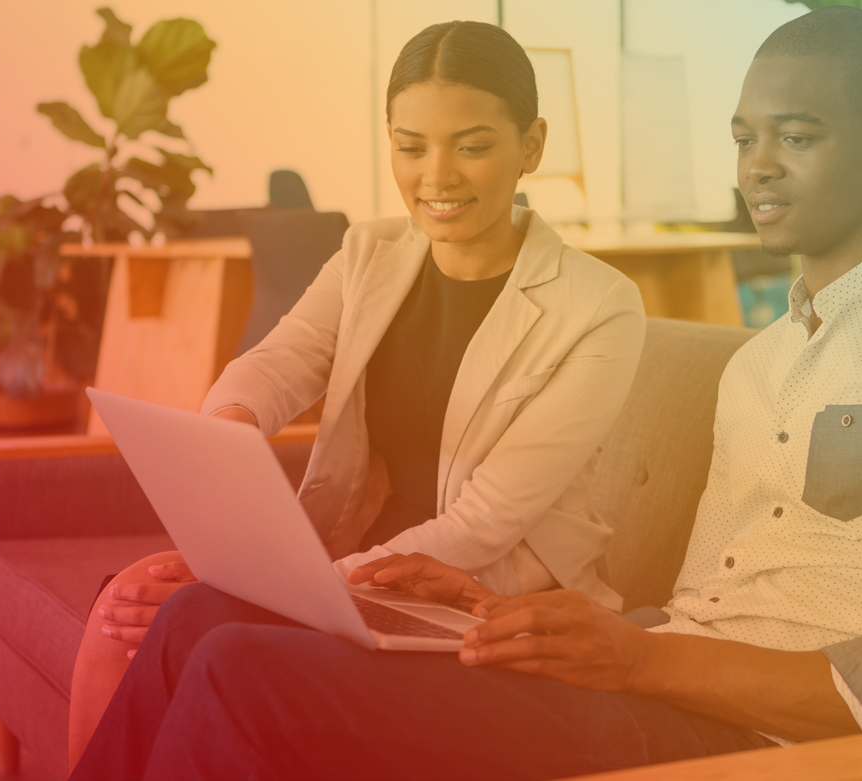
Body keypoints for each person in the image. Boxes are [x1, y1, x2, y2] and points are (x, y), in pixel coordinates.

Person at [70, 7, 862, 780]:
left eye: (797, 135)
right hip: (660, 685)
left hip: (759, 745)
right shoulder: (767, 361)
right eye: (743, 137)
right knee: (202, 620)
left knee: (243, 672)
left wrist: (635, 661)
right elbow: (704, 611)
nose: (756, 167)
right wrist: (518, 617)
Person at [66, 20, 647, 769]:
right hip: (359, 573)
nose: (436, 176)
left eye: (471, 145)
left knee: (228, 646)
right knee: (183, 614)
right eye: (410, 146)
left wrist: (314, 582)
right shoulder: (369, 254)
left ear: (530, 145)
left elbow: (488, 520)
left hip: (482, 600)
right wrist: (234, 430)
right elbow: (276, 363)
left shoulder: (597, 305)